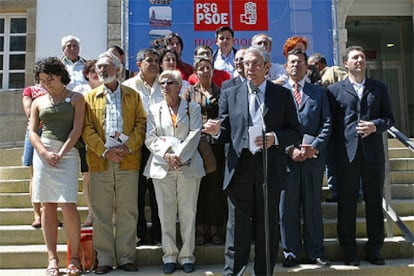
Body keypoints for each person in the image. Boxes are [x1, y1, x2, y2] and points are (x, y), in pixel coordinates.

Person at [203, 46, 300, 275]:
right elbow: (225, 130)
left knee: (267, 227)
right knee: (237, 227)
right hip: (241, 167)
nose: (250, 68)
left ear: (267, 67)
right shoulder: (231, 92)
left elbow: (295, 131)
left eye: (255, 63)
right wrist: (216, 131)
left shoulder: (282, 95)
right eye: (246, 64)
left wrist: (274, 137)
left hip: (269, 166)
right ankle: (233, 272)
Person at [328, 45, 394, 266]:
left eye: (362, 57)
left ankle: (375, 249)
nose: (359, 61)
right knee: (346, 203)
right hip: (346, 154)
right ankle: (349, 251)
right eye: (355, 58)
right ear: (346, 63)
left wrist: (375, 126)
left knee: (374, 202)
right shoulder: (335, 90)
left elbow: (389, 118)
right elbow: (332, 125)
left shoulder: (379, 88)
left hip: (372, 154)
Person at [82, 52, 146, 274]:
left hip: (128, 160)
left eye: (106, 67)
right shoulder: (89, 98)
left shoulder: (133, 95)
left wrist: (128, 148)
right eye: (99, 68)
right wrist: (104, 151)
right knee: (101, 213)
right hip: (100, 162)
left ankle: (127, 257)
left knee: (128, 211)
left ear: (118, 69)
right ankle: (106, 259)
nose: (101, 71)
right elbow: (86, 129)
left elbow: (140, 123)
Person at [144, 69, 204, 274]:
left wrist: (179, 155)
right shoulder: (153, 109)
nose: (165, 86)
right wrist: (168, 154)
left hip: (188, 166)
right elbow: (150, 137)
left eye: (169, 82)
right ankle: (169, 255)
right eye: (161, 83)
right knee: (165, 214)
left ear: (179, 86)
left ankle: (187, 255)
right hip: (162, 167)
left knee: (188, 212)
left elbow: (195, 133)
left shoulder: (192, 108)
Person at [29, 57, 85, 276]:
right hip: (43, 153)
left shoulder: (76, 98)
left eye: (49, 78)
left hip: (68, 153)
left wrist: (61, 153)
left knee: (69, 205)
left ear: (61, 75)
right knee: (47, 207)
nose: (46, 83)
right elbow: (32, 132)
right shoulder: (38, 101)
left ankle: (74, 259)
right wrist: (44, 152)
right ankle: (52, 259)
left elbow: (77, 129)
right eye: (42, 80)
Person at [279, 49, 331, 267]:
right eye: (292, 62)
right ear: (285, 66)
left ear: (307, 67)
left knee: (312, 207)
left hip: (312, 160)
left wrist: (314, 147)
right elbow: (273, 124)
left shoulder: (318, 92)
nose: (296, 66)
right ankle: (290, 252)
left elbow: (327, 123)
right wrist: (290, 148)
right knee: (287, 208)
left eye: (300, 62)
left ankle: (315, 251)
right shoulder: (278, 92)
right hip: (286, 159)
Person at [183, 57, 225, 246]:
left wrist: (217, 125)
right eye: (201, 68)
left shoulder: (221, 91)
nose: (205, 71)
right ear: (195, 72)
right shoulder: (189, 92)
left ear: (212, 71)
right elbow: (183, 116)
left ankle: (215, 228)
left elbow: (227, 114)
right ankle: (199, 229)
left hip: (216, 145)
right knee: (198, 188)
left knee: (216, 188)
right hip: (196, 146)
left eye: (208, 67)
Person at [123, 48, 163, 245]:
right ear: (139, 64)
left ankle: (158, 233)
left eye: (157, 60)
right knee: (137, 191)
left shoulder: (165, 85)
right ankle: (139, 233)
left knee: (158, 191)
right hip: (136, 146)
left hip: (159, 146)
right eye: (150, 60)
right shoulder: (128, 87)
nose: (154, 63)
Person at [307, 52, 349, 202]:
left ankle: (353, 192)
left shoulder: (333, 71)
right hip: (324, 126)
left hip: (338, 125)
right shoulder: (313, 79)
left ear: (318, 64)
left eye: (311, 65)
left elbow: (346, 87)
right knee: (330, 162)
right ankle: (336, 191)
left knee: (342, 161)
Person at [73, 59, 101, 227]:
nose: (96, 73)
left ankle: (112, 213)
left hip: (108, 141)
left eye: (99, 69)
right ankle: (91, 212)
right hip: (86, 141)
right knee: (88, 177)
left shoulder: (111, 90)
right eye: (93, 71)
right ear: (87, 74)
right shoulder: (80, 91)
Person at [22, 83, 48, 228]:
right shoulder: (30, 90)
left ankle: (49, 214)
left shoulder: (57, 88)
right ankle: (37, 214)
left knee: (49, 175)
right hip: (35, 132)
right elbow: (29, 111)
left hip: (53, 133)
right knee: (35, 175)